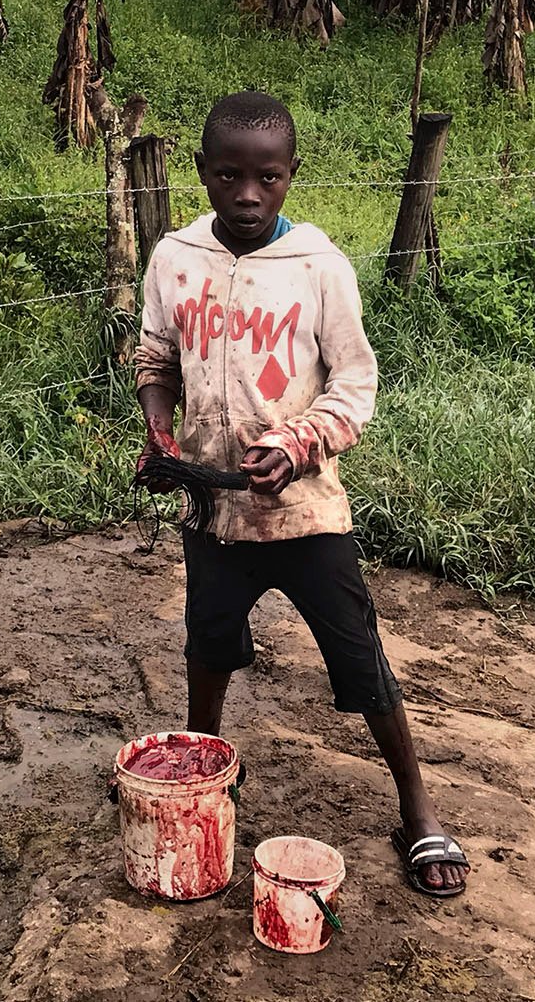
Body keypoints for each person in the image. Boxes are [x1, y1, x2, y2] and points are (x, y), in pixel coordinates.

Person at [133, 89, 469, 898]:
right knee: (208, 647)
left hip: (307, 513)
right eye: (228, 176)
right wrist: (160, 434)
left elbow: (355, 385)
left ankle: (417, 806)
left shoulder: (319, 266)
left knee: (359, 659)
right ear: (204, 174)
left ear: (291, 177)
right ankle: (203, 778)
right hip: (213, 509)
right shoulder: (175, 258)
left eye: (268, 178)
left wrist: (297, 443)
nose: (248, 195)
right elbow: (156, 361)